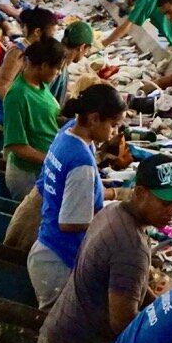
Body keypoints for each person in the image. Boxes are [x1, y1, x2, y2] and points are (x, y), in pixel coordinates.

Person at [36, 153, 172, 343]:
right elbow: (122, 323)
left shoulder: (113, 213)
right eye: (166, 203)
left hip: (57, 342)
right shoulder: (130, 246)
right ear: (141, 192)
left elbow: (135, 290)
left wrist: (168, 313)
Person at [28, 85, 127, 308]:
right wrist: (114, 217)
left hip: (46, 249)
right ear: (93, 119)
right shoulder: (81, 162)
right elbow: (70, 223)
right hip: (59, 261)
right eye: (112, 125)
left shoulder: (70, 132)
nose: (114, 132)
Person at [1, 37, 66, 199]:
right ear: (43, 66)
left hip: (43, 169)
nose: (58, 74)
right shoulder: (17, 95)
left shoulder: (41, 86)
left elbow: (45, 119)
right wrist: (54, 161)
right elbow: (17, 145)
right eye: (57, 69)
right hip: (27, 176)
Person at [0, 7, 60, 98]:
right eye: (51, 35)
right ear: (37, 32)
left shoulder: (37, 51)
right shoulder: (17, 53)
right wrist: (24, 106)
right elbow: (1, 88)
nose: (52, 40)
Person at [51, 21, 96, 104]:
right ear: (82, 47)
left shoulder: (52, 55)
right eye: (87, 49)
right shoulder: (58, 69)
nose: (85, 53)